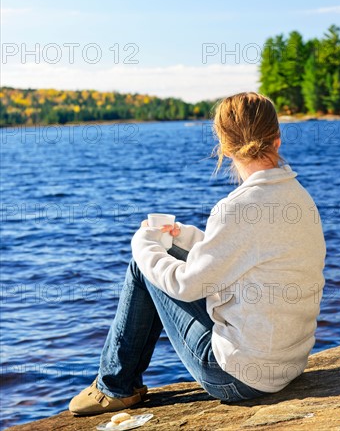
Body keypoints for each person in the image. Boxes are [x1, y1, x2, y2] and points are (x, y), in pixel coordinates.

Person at [69, 91, 326, 416]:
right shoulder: (300, 199)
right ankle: (117, 382)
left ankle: (115, 386)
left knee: (141, 268)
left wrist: (143, 244)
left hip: (239, 378)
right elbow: (247, 252)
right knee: (165, 258)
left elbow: (188, 286)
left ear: (225, 147)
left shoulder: (236, 209)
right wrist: (184, 238)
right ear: (277, 140)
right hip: (288, 364)